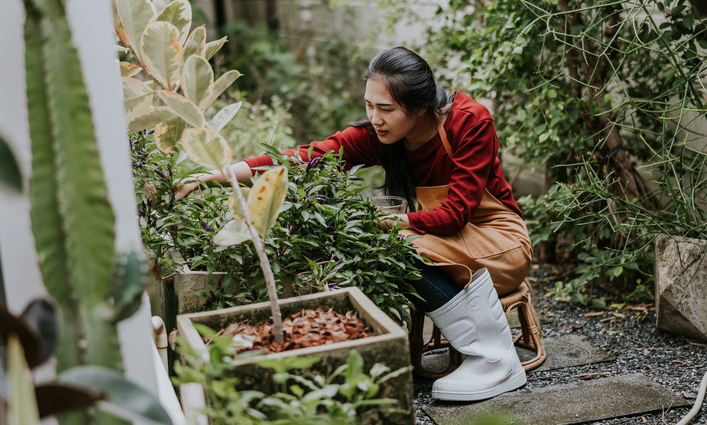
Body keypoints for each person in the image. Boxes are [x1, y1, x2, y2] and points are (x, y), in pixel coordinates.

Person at [177, 46, 532, 402]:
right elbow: (304, 158)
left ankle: (494, 359)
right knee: (383, 246)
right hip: (448, 241)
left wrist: (387, 223)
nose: (375, 118)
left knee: (392, 245)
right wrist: (213, 175)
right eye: (370, 106)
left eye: (386, 109)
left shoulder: (469, 122)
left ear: (420, 106)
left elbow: (456, 214)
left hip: (500, 243)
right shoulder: (382, 138)